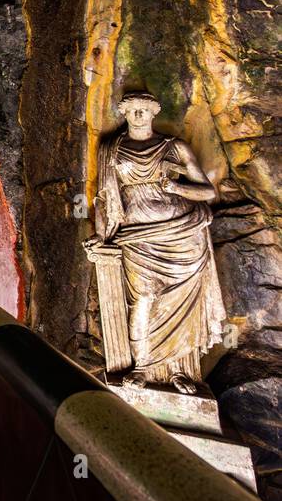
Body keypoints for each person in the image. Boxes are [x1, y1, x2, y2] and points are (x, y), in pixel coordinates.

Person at [86, 92, 226, 394]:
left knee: (181, 305)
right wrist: (100, 236)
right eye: (133, 109)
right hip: (137, 236)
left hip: (181, 235)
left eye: (144, 110)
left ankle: (178, 370)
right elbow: (106, 198)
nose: (138, 114)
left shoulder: (174, 147)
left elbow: (207, 193)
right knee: (144, 300)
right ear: (124, 113)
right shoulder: (112, 149)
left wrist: (176, 186)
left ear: (154, 113)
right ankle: (142, 366)